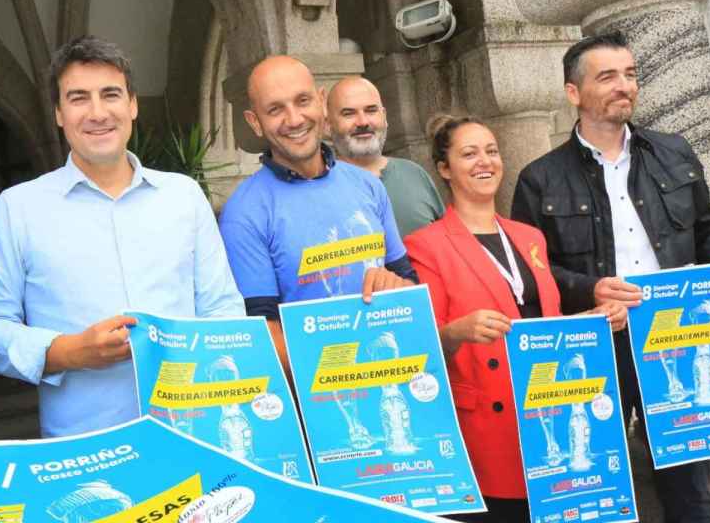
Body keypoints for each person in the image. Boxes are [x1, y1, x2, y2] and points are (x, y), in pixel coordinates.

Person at [511, 31, 710, 523]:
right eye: (608, 76)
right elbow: (531, 275)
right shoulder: (539, 179)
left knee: (691, 489)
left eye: (630, 74)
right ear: (573, 93)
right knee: (591, 484)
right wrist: (589, 290)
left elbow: (709, 231)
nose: (625, 85)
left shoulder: (674, 152)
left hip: (681, 335)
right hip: (598, 342)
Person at [0, 36, 244, 438]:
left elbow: (222, 309)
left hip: (193, 433)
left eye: (110, 94)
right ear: (59, 114)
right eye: (78, 98)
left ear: (132, 104)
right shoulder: (17, 209)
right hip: (83, 447)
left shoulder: (183, 196)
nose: (97, 113)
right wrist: (69, 352)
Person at [405, 114, 625, 522]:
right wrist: (457, 331)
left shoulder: (529, 237)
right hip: (488, 425)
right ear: (444, 168)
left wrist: (595, 319)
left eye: (491, 151)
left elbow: (550, 321)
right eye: (468, 153)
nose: (484, 161)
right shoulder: (425, 245)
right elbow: (422, 346)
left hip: (549, 410)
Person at [218, 56, 414, 368]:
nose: (294, 119)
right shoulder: (243, 213)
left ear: (322, 103)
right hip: (317, 400)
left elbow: (410, 286)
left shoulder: (367, 185)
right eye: (275, 109)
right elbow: (262, 330)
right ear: (255, 122)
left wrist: (397, 288)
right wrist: (339, 376)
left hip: (393, 367)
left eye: (303, 101)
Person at [327, 76, 443, 237]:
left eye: (371, 110)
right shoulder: (320, 186)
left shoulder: (414, 173)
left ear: (384, 116)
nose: (362, 122)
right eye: (349, 114)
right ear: (327, 125)